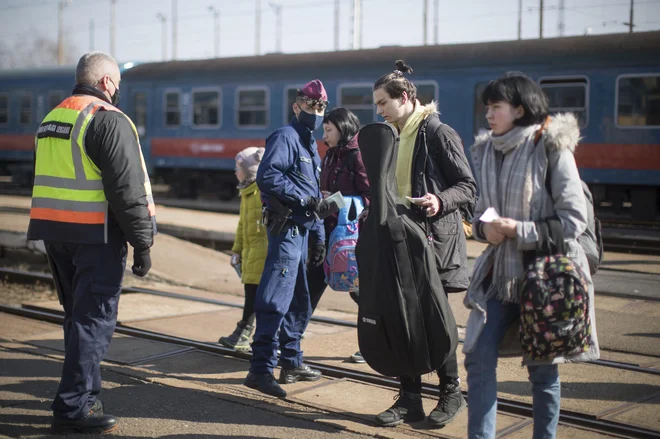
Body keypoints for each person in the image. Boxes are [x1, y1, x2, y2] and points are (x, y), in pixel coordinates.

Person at [464, 72, 600, 439]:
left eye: (496, 107)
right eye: (487, 107)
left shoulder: (550, 147)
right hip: (499, 276)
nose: (489, 115)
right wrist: (483, 229)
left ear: (519, 109)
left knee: (541, 369)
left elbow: (574, 220)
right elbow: (480, 212)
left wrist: (517, 230)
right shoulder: (486, 150)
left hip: (545, 277)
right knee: (477, 356)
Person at [27, 51, 156, 434]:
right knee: (94, 319)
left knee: (77, 318)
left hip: (56, 232)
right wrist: (143, 243)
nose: (118, 90)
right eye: (116, 83)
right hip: (95, 234)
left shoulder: (53, 118)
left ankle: (87, 394)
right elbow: (127, 191)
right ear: (105, 82)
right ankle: (72, 407)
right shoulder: (108, 120)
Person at [368, 60, 476, 428]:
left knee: (435, 317)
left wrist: (439, 200)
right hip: (400, 239)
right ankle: (410, 399)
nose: (378, 110)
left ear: (405, 97)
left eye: (383, 103)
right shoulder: (392, 135)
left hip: (434, 239)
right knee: (401, 315)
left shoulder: (438, 133)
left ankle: (451, 393)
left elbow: (468, 187)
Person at [244, 80, 330, 398]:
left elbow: (315, 195)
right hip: (287, 231)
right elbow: (268, 176)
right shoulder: (286, 137)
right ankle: (260, 370)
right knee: (275, 301)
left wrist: (319, 237)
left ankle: (291, 362)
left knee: (297, 302)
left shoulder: (309, 146)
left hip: (302, 234)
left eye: (321, 107)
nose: (316, 112)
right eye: (311, 105)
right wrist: (304, 202)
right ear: (297, 106)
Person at [306, 107, 370, 363]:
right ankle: (288, 342)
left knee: (361, 295)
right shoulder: (331, 155)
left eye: (328, 129)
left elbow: (370, 197)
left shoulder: (358, 156)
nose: (324, 135)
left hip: (350, 240)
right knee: (310, 287)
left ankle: (373, 344)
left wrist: (336, 203)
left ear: (342, 128)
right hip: (327, 234)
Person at [219, 147, 268, 349]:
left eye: (238, 168)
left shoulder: (261, 192)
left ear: (249, 170)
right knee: (253, 295)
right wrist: (236, 250)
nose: (235, 172)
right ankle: (246, 333)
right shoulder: (246, 192)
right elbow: (242, 225)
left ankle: (245, 333)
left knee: (255, 296)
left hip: (262, 254)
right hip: (251, 253)